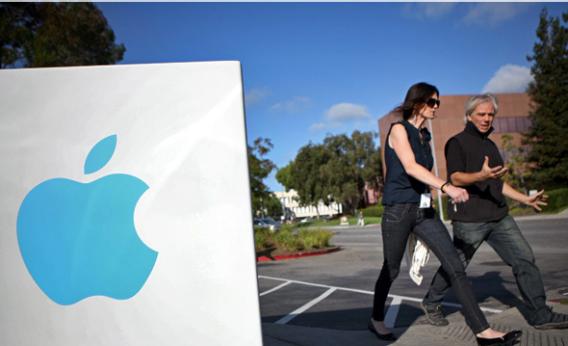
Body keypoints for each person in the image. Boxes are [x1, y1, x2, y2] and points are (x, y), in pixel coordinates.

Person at [369, 82, 521, 346]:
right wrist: (447, 187)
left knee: (455, 266)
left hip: (424, 211)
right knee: (391, 269)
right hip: (398, 211)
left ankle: (483, 331)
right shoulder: (398, 130)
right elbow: (410, 166)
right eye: (433, 102)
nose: (437, 107)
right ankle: (376, 318)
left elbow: (424, 174)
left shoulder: (425, 136)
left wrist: (438, 192)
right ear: (417, 103)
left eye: (438, 103)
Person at [421, 93, 568, 330]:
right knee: (456, 266)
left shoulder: (490, 145)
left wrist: (526, 199)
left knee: (524, 258)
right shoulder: (456, 142)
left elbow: (497, 182)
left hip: (499, 216)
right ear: (469, 116)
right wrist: (480, 175)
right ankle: (431, 302)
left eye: (491, 114)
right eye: (482, 114)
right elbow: (455, 177)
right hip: (470, 220)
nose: (487, 118)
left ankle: (540, 315)